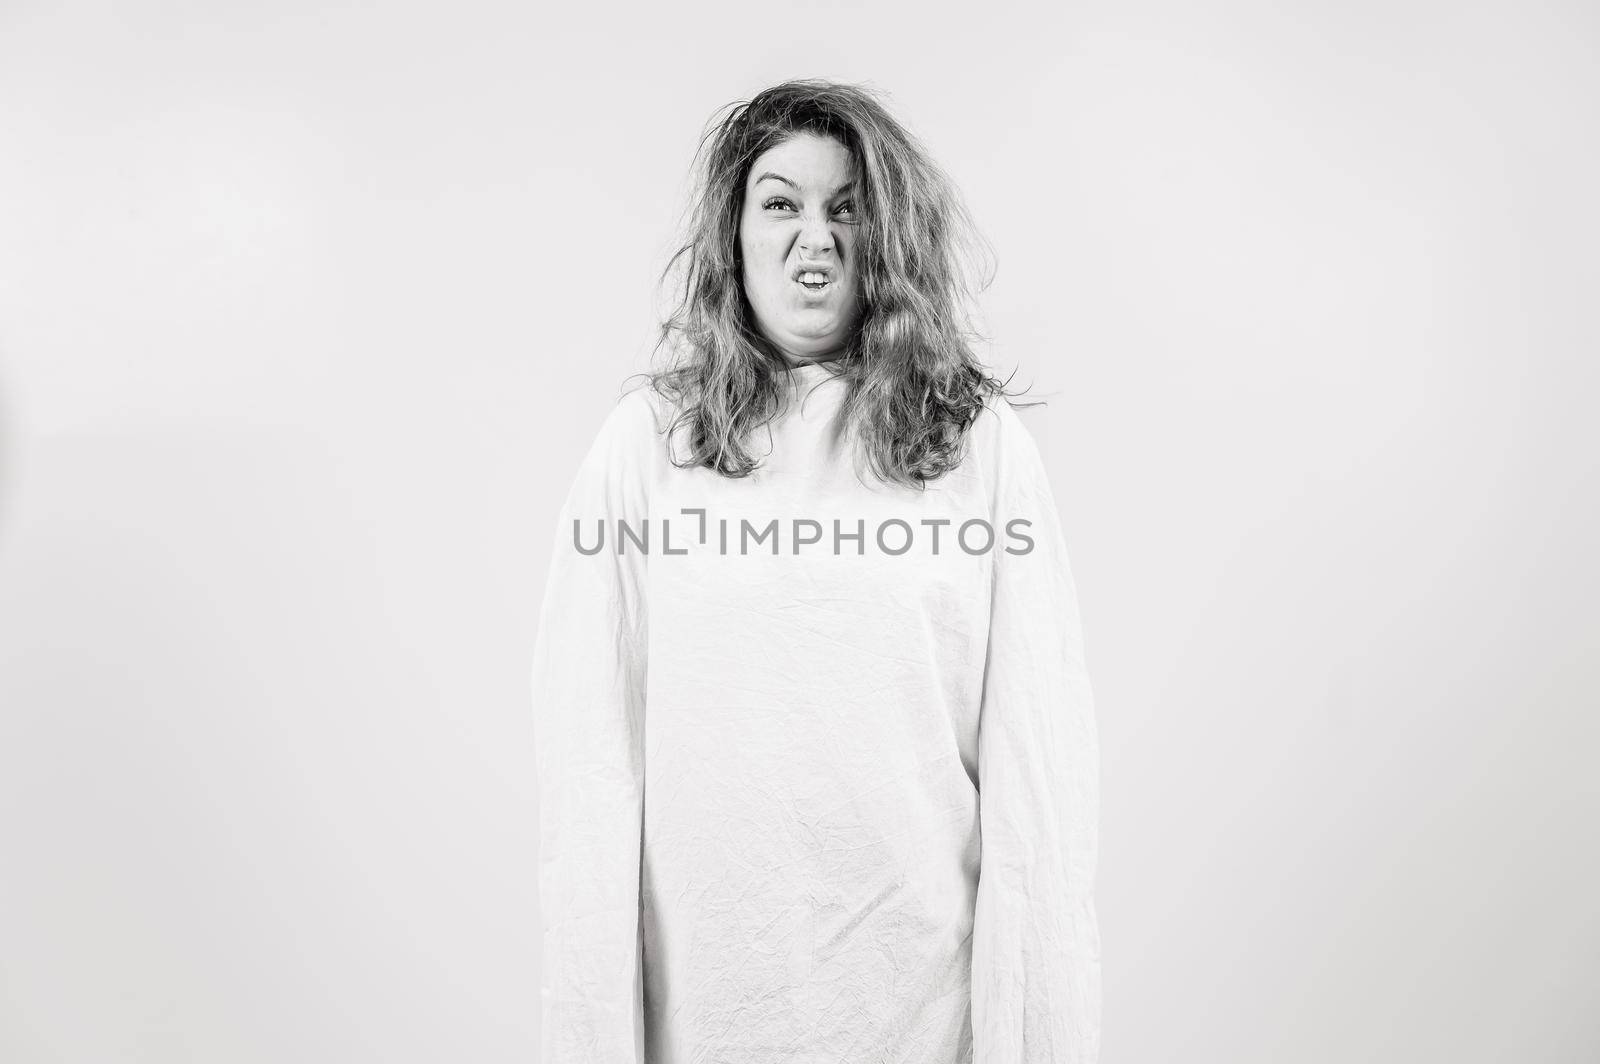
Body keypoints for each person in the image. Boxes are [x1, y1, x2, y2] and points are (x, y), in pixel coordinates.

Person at [530, 78, 1101, 1063]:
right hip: (708, 1002)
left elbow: (1036, 761)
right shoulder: (647, 448)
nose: (815, 237)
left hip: (919, 1001)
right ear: (734, 233)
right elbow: (591, 759)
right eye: (781, 203)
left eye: (847, 208)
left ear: (887, 238)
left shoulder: (978, 449)